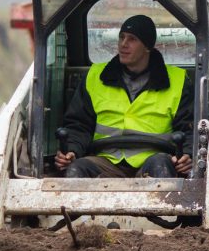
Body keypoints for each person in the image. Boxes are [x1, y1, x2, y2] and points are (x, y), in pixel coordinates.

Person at [55, 14, 194, 178]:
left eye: (132, 39)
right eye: (121, 37)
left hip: (152, 161)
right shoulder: (95, 77)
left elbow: (189, 128)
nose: (123, 44)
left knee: (161, 166)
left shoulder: (178, 81)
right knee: (77, 169)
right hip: (106, 160)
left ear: (148, 46)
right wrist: (71, 150)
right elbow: (78, 125)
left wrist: (187, 154)